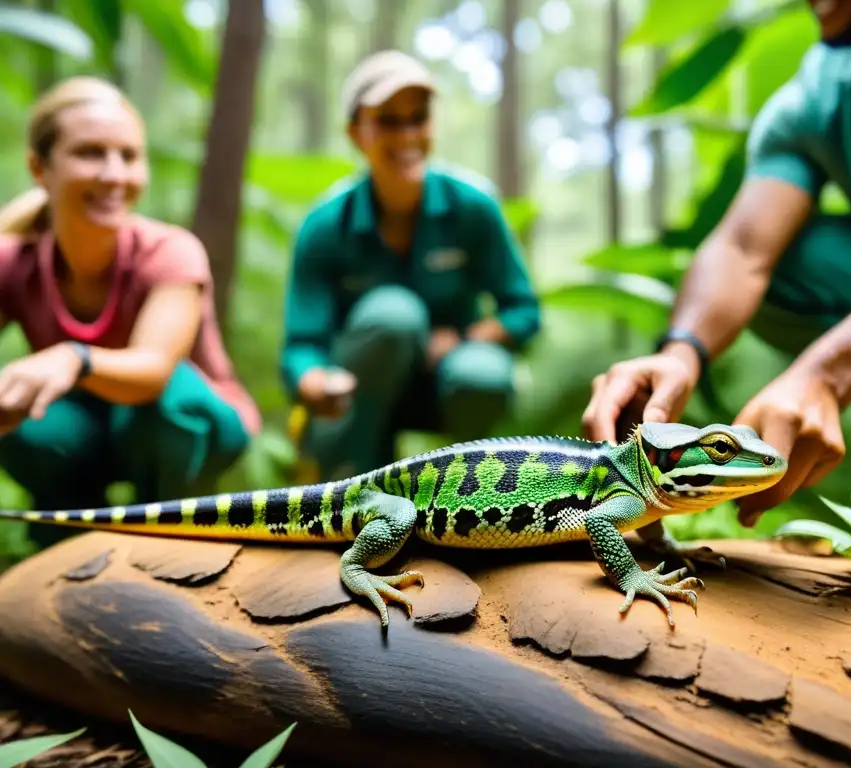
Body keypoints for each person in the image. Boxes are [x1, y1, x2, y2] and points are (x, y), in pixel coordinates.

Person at [583, 0, 851, 568]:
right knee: (791, 263)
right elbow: (745, 246)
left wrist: (824, 376)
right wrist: (680, 354)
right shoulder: (822, 87)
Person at [0, 76, 260, 544]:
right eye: (90, 153)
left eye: (129, 156)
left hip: (186, 421)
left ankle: (174, 542)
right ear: (40, 168)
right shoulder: (15, 261)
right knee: (21, 416)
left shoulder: (170, 251)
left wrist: (72, 357)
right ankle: (65, 546)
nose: (114, 174)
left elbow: (155, 371)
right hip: (89, 428)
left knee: (163, 404)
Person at [280, 50, 541, 480]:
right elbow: (301, 345)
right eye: (388, 121)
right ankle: (351, 483)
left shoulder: (473, 206)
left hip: (448, 381)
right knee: (394, 315)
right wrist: (315, 383)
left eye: (418, 118)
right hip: (361, 386)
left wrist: (460, 339)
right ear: (355, 132)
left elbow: (524, 311)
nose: (406, 136)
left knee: (485, 375)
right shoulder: (326, 224)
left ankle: (468, 494)